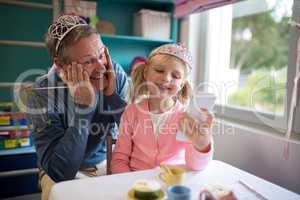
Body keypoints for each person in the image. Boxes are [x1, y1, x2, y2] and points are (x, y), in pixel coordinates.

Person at [27, 15, 129, 200]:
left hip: (107, 161)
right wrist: (83, 109)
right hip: (61, 173)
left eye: (101, 54)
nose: (101, 67)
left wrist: (111, 96)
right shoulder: (42, 95)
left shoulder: (114, 73)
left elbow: (133, 133)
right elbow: (60, 172)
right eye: (88, 61)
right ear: (61, 65)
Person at [111, 44, 213, 173]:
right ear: (146, 72)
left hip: (172, 182)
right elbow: (120, 159)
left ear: (181, 84)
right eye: (159, 70)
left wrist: (202, 144)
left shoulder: (187, 117)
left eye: (175, 76)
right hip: (137, 183)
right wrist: (128, 184)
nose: (166, 78)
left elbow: (196, 166)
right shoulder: (131, 112)